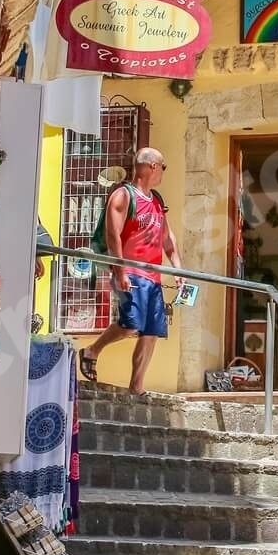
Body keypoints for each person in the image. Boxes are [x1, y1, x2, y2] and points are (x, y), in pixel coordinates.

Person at [80, 148, 179, 392]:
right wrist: (120, 271)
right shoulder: (124, 196)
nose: (164, 172)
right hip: (130, 272)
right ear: (152, 166)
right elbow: (113, 235)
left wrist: (178, 269)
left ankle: (137, 385)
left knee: (151, 331)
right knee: (131, 324)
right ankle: (92, 350)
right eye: (163, 167)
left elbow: (167, 238)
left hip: (153, 276)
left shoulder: (156, 200)